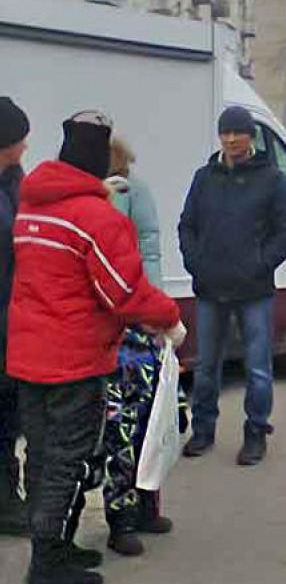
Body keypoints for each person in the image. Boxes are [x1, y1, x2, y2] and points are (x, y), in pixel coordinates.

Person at [7, 111, 185, 584]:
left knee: (43, 453)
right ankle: (46, 566)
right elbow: (125, 292)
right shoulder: (94, 217)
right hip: (73, 358)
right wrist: (171, 320)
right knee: (70, 457)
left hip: (28, 354)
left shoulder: (32, 209)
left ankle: (58, 546)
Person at [178, 106, 286, 466]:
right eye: (225, 133)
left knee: (259, 368)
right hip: (210, 286)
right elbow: (187, 225)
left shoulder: (272, 179)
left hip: (254, 290)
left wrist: (261, 263)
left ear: (251, 136)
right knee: (205, 367)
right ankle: (203, 431)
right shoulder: (204, 177)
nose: (231, 139)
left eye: (238, 132)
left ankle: (255, 433)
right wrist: (194, 261)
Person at [101, 138, 176, 557]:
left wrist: (154, 311)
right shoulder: (98, 197)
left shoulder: (132, 192)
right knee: (123, 429)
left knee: (149, 424)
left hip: (137, 324)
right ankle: (122, 517)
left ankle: (145, 505)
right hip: (117, 329)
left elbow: (148, 252)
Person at [0, 98, 30, 536]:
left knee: (8, 412)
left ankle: (8, 496)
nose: (26, 146)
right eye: (20, 139)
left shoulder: (13, 182)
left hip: (11, 317)